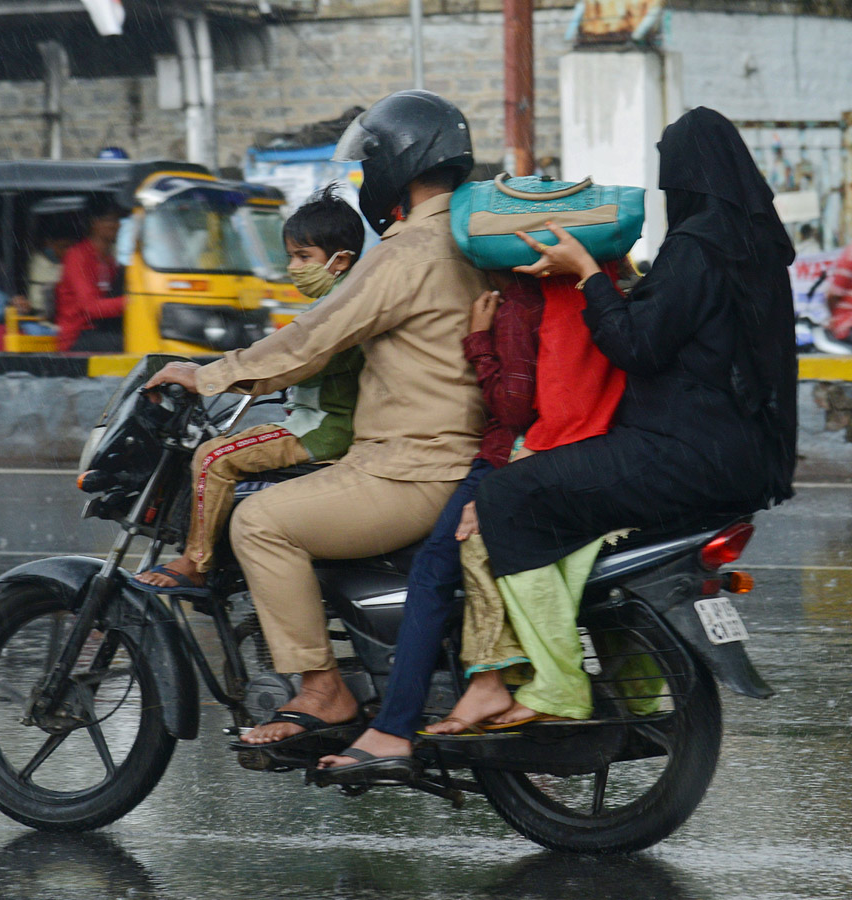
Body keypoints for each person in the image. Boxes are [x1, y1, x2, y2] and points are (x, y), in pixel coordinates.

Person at [143, 91, 490, 747]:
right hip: (456, 461)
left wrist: (209, 374)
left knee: (261, 521)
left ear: (399, 163)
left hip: (409, 469)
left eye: (372, 166)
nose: (367, 179)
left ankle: (323, 689)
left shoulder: (408, 250)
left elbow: (316, 335)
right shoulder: (466, 241)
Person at [454, 107, 797, 731]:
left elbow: (636, 347)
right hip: (744, 461)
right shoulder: (758, 254)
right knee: (578, 515)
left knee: (507, 497)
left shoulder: (697, 249)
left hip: (682, 452)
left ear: (685, 178)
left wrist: (587, 275)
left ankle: (555, 685)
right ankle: (632, 689)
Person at [317, 259, 627, 776]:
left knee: (442, 562)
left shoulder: (519, 306)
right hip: (599, 453)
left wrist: (479, 341)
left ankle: (405, 721)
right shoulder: (602, 289)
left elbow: (512, 407)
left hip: (515, 455)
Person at [133, 186, 365, 594]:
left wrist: (207, 377)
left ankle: (197, 562)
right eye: (291, 256)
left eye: (304, 257)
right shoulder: (334, 302)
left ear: (340, 261)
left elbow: (289, 359)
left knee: (212, 458)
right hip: (317, 421)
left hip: (323, 431)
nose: (294, 267)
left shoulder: (338, 310)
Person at [55, 200, 126, 352]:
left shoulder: (110, 261)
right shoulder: (77, 257)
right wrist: (133, 303)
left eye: (118, 220)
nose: (117, 225)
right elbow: (90, 308)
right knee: (131, 345)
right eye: (111, 220)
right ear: (95, 223)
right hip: (78, 337)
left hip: (102, 330)